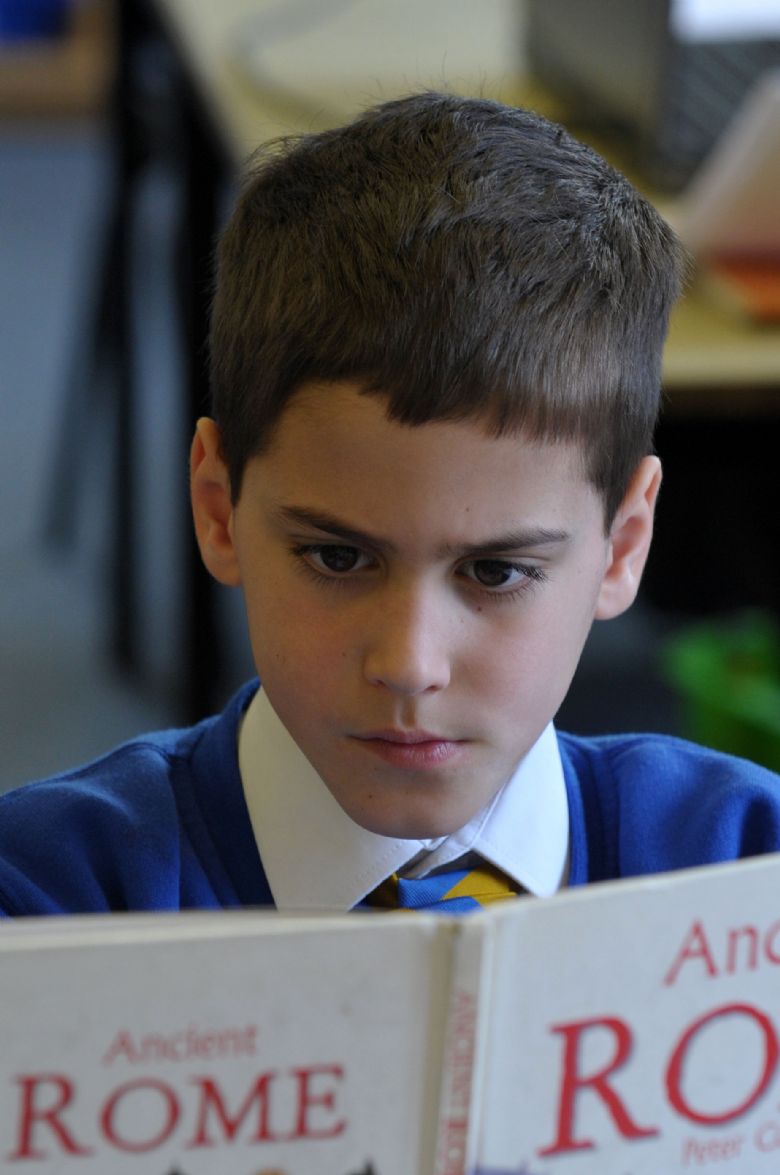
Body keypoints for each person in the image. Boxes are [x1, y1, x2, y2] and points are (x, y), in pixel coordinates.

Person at [1, 92, 778, 918]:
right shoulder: (44, 903)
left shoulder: (746, 871)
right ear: (218, 509)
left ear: (622, 547)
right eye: (337, 557)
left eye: (496, 570)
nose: (409, 663)